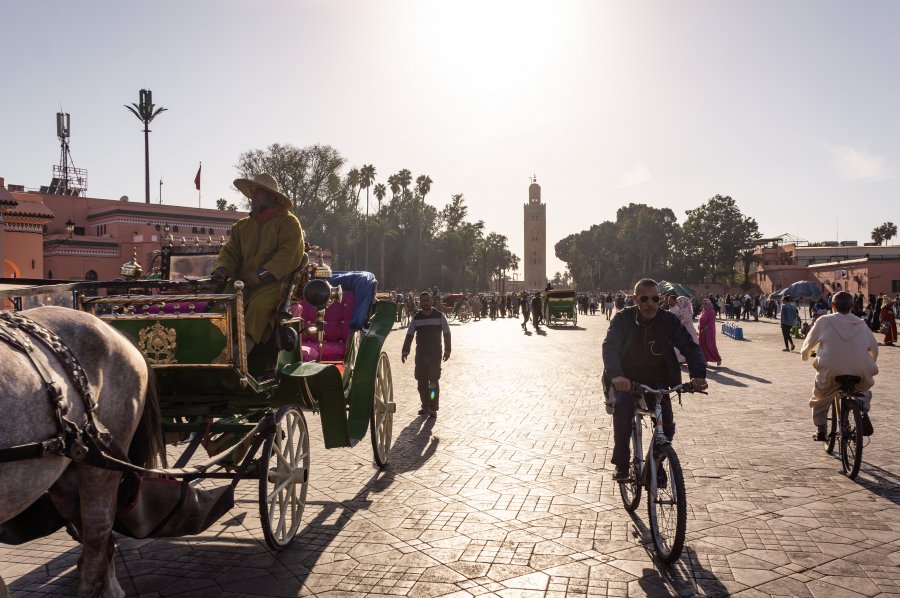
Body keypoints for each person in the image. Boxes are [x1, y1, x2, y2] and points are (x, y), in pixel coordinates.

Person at [602, 279, 707, 481]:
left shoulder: (668, 320)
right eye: (645, 299)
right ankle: (622, 464)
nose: (650, 304)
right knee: (623, 413)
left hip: (658, 380)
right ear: (635, 299)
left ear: (661, 299)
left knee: (666, 425)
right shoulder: (623, 319)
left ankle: (656, 462)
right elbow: (610, 347)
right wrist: (617, 375)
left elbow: (689, 346)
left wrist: (698, 374)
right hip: (628, 380)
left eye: (655, 299)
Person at [211, 173, 304, 353]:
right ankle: (214, 350)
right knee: (222, 304)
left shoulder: (289, 223)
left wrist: (261, 275)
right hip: (242, 284)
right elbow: (230, 252)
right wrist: (222, 269)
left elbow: (289, 255)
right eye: (252, 192)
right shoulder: (241, 227)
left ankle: (242, 352)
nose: (253, 196)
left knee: (257, 307)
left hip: (277, 284)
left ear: (272, 196)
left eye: (259, 192)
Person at [801, 291, 878, 440]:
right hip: (860, 369)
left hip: (831, 370)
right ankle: (862, 411)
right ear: (853, 306)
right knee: (864, 390)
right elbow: (874, 349)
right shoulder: (861, 323)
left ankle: (822, 429)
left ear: (833, 305)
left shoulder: (823, 321)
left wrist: (807, 356)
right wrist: (869, 360)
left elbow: (807, 347)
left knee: (820, 396)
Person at [402, 292, 451, 417]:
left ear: (431, 301)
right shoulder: (416, 318)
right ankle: (425, 405)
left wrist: (447, 350)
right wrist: (405, 350)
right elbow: (409, 335)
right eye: (423, 300)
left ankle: (433, 408)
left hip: (435, 354)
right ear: (420, 302)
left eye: (427, 300)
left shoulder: (440, 316)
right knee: (421, 381)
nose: (426, 302)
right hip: (421, 355)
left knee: (433, 381)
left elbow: (446, 333)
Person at [697, 298, 722, 366]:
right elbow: (700, 319)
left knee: (710, 345)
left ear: (708, 304)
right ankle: (704, 360)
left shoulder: (711, 311)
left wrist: (705, 329)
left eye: (705, 303)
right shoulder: (703, 311)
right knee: (702, 346)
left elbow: (711, 322)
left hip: (708, 332)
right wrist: (699, 326)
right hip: (701, 331)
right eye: (702, 303)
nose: (703, 305)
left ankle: (718, 358)